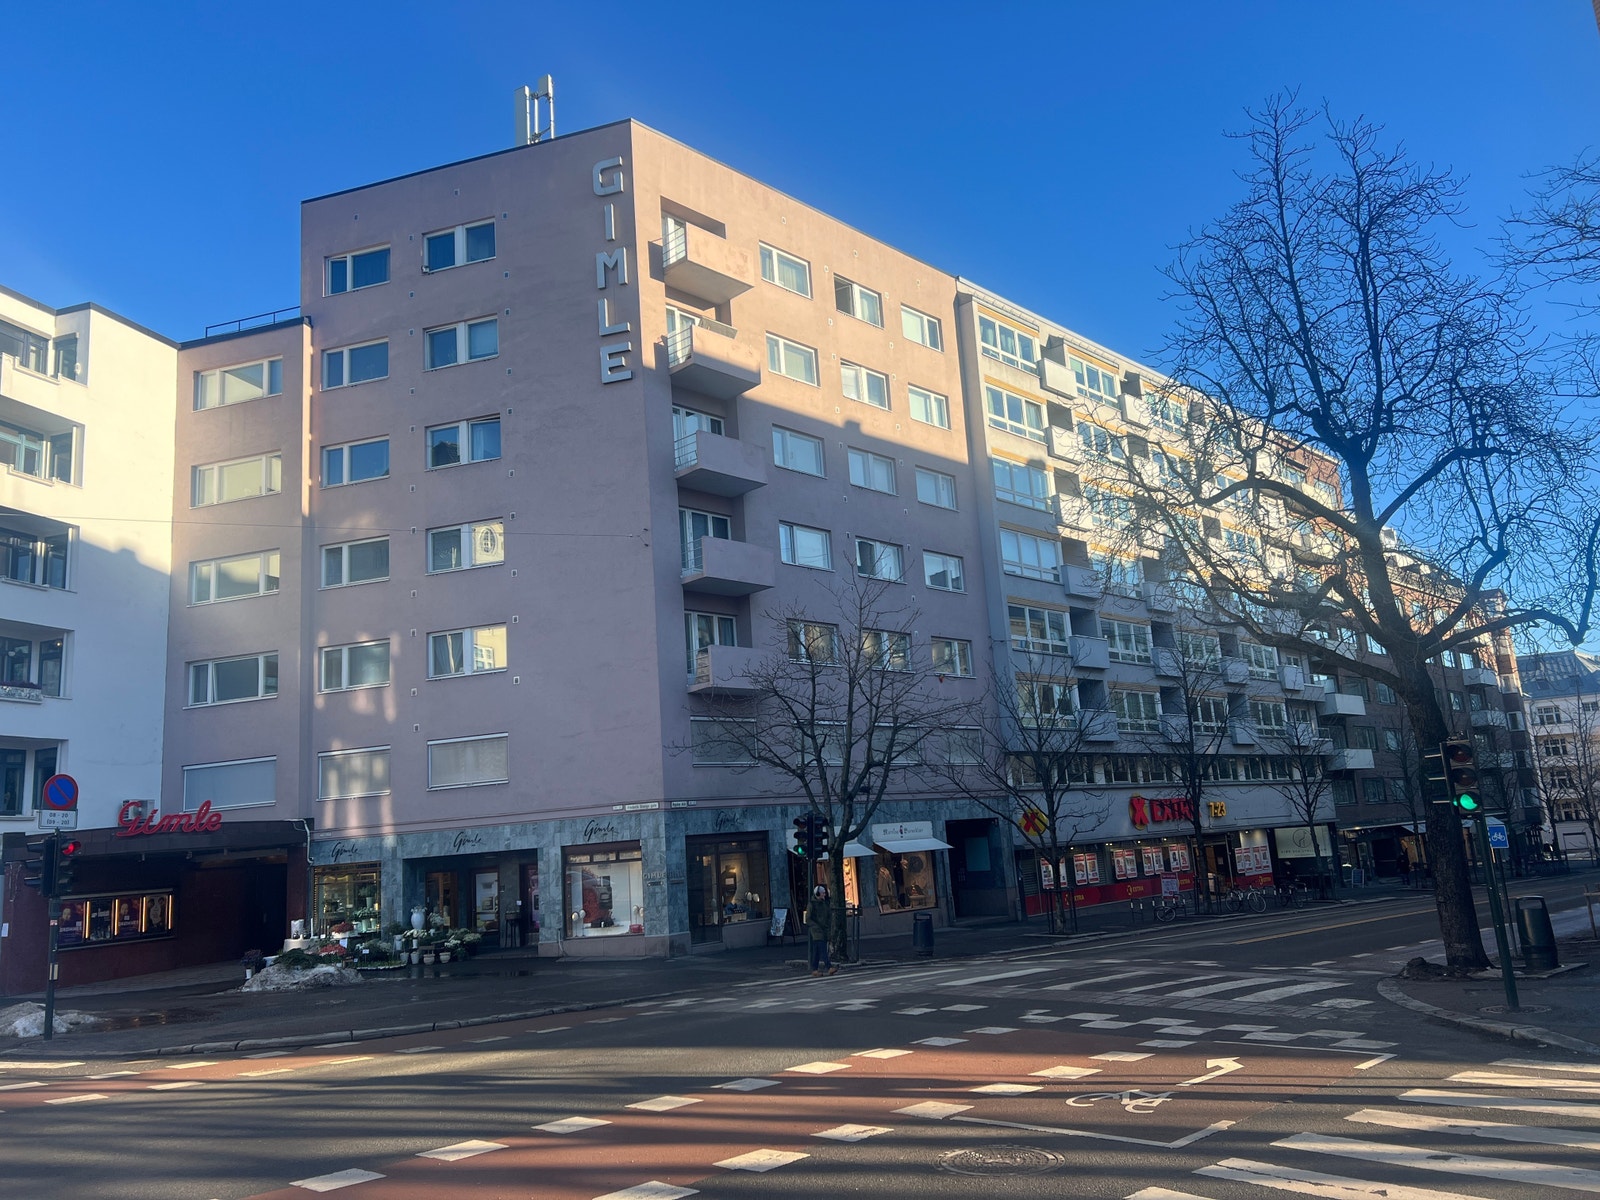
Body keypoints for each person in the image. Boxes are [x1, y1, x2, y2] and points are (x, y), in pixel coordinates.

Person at [806, 885, 837, 976]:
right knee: (823, 949)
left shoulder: (824, 903)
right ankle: (829, 967)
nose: (824, 894)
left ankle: (814, 969)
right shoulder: (812, 904)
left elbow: (827, 916)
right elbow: (808, 918)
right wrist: (816, 927)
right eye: (823, 893)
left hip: (823, 929)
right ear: (818, 894)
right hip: (816, 930)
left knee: (817, 951)